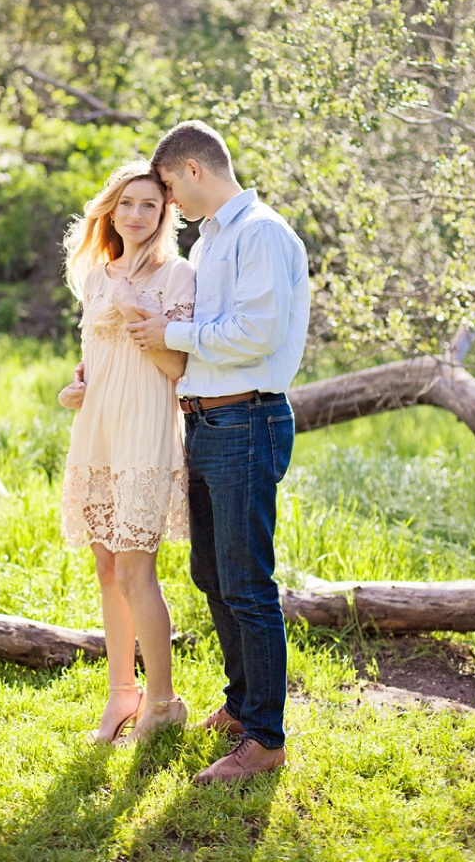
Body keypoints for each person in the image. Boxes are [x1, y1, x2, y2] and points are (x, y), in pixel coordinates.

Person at [127, 121, 310, 783]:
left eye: (170, 187)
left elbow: (256, 334)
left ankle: (265, 739)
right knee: (212, 576)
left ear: (194, 171)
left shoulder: (260, 233)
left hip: (248, 421)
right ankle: (240, 707)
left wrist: (172, 331)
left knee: (248, 585)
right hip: (206, 423)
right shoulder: (213, 240)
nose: (169, 202)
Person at [58, 160, 196, 743]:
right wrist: (76, 387)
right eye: (127, 204)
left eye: (150, 205)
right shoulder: (95, 276)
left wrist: (142, 316)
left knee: (137, 570)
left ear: (165, 213)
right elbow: (95, 359)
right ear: (111, 210)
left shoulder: (178, 275)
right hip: (97, 427)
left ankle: (163, 703)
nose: (136, 215)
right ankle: (121, 695)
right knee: (106, 566)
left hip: (144, 429)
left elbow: (176, 367)